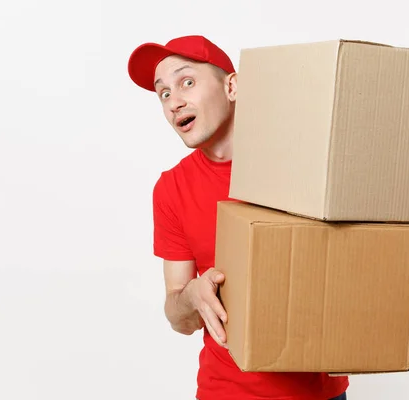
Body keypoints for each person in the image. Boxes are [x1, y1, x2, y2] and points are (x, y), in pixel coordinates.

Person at [127, 35, 349, 400]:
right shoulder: (171, 189)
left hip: (318, 391)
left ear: (233, 86)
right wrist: (192, 296)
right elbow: (177, 317)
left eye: (187, 82)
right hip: (227, 391)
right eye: (163, 93)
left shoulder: (301, 163)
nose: (174, 102)